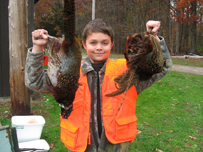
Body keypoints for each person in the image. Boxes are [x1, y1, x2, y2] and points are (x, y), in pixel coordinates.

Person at [25, 19, 173, 152]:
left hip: (115, 146)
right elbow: (34, 82)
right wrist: (37, 48)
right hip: (80, 146)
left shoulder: (128, 72)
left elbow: (161, 68)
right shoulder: (69, 73)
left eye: (104, 42)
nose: (99, 47)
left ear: (112, 44)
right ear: (84, 45)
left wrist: (153, 39)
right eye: (93, 42)